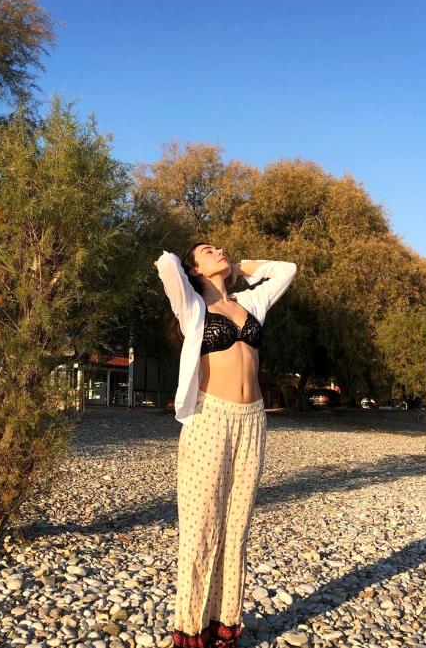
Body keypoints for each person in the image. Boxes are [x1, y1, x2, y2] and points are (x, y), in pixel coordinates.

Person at [154, 243, 297, 648]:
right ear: (196, 270)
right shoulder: (193, 309)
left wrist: (239, 266)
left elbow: (287, 269)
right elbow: (167, 264)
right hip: (210, 419)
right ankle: (190, 632)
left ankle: (225, 627)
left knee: (236, 529)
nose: (218, 251)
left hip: (253, 420)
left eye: (219, 248)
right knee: (201, 529)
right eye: (208, 250)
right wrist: (190, 267)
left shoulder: (250, 303)